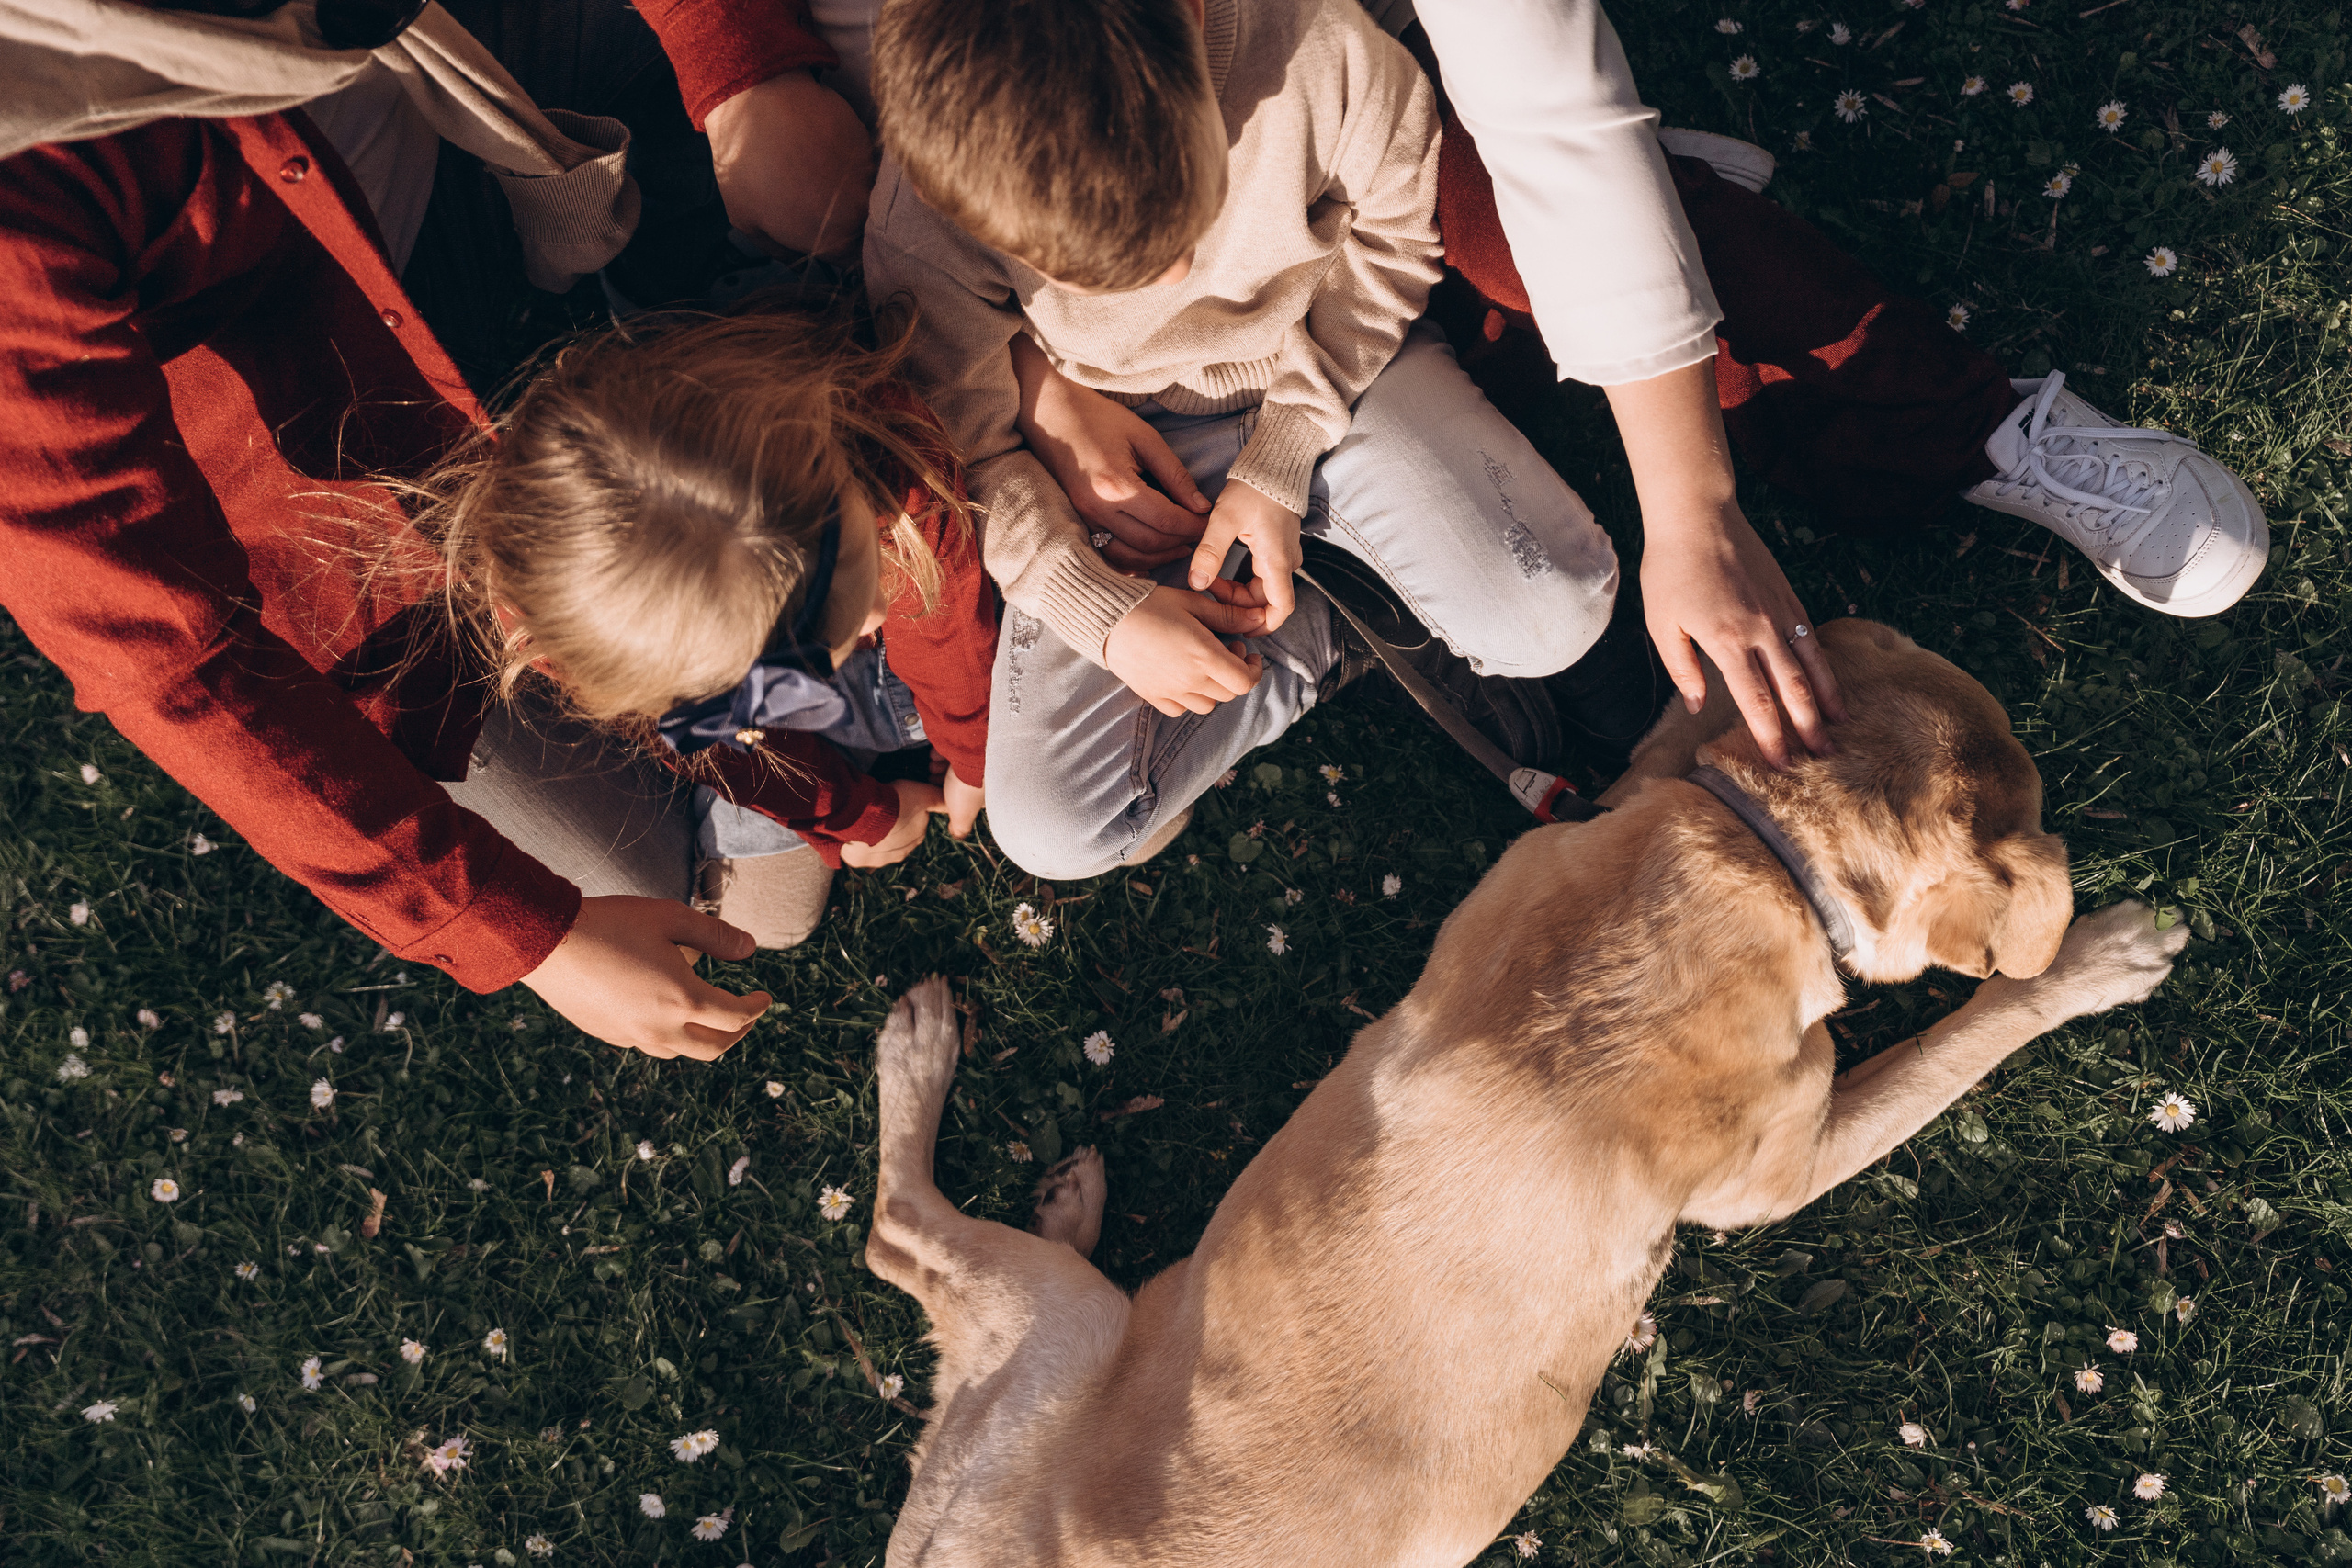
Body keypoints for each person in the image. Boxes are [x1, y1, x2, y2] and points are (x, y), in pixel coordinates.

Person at [0, 0, 943, 1060]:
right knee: (734, 908)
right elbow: (171, 661)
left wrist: (738, 70)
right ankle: (753, 712)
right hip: (343, 446)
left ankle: (766, 695)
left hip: (466, 130)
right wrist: (531, 940)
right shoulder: (27, 217)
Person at [862, 0, 1633, 881]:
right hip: (1129, 454)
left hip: (1338, 376)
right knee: (1052, 828)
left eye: (1186, 214)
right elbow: (961, 442)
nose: (1176, 277)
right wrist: (1099, 611)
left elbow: (1395, 233)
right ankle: (1338, 619)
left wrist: (1284, 452)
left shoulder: (1318, 46)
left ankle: (1348, 571)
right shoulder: (922, 211)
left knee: (1555, 612)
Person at [1413, 0, 2271, 767]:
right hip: (1304, 306)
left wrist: (1690, 511)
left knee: (1527, 233)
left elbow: (1544, 104)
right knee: (1514, 327)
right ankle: (1678, 200)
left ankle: (1968, 418)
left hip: (1363, 107)